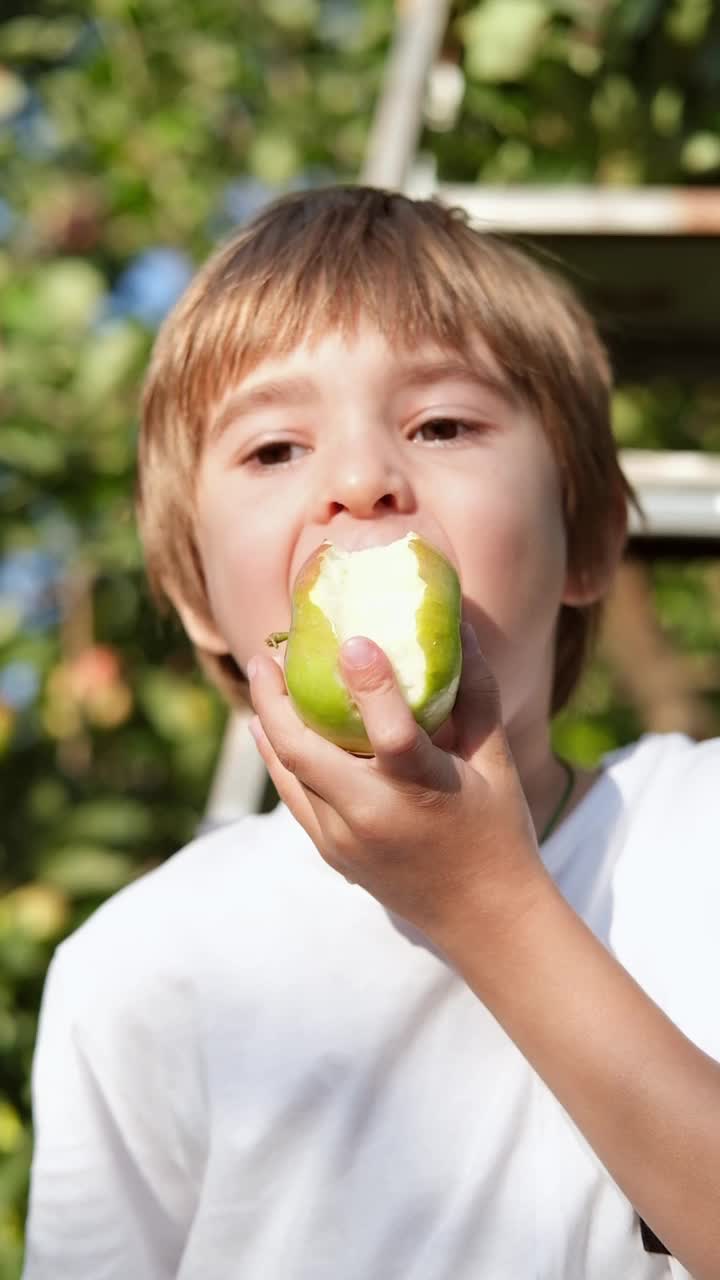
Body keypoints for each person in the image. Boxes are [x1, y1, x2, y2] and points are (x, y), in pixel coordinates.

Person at [23, 186, 720, 1280]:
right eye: (272, 449)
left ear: (585, 540)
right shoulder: (141, 967)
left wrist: (488, 902)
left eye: (441, 424)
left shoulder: (699, 839)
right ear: (197, 594)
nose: (359, 482)